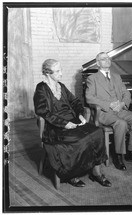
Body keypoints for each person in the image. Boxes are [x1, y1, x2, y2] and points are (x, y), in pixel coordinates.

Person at [33, 59, 111, 187]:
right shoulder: (41, 88)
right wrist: (64, 123)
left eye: (60, 70)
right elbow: (42, 111)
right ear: (48, 73)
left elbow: (75, 102)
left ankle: (96, 172)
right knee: (78, 139)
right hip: (54, 126)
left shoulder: (61, 86)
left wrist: (80, 114)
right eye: (57, 71)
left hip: (72, 121)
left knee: (97, 131)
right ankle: (71, 175)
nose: (61, 74)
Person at [85, 52, 132, 171]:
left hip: (120, 109)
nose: (107, 60)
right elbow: (89, 98)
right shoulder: (92, 79)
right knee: (121, 123)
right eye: (103, 59)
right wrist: (109, 105)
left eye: (108, 58)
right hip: (105, 112)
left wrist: (123, 103)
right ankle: (118, 156)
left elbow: (126, 93)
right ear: (98, 63)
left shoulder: (117, 76)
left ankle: (131, 153)